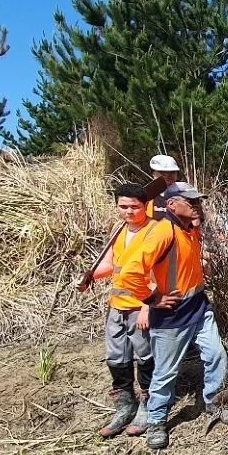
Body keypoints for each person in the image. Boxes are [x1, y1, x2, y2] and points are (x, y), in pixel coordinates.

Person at [114, 182, 228, 450]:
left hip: (198, 308)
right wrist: (151, 299)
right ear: (171, 205)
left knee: (216, 355)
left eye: (197, 200)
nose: (196, 205)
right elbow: (129, 273)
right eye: (189, 201)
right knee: (166, 372)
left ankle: (213, 403)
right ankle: (157, 421)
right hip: (171, 317)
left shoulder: (188, 228)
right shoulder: (162, 232)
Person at [78, 183, 155, 438]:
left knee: (145, 356)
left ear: (145, 206)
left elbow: (158, 275)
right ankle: (124, 404)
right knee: (116, 357)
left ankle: (147, 403)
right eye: (123, 206)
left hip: (140, 306)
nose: (129, 211)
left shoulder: (154, 231)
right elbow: (111, 265)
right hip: (116, 305)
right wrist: (89, 277)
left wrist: (147, 307)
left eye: (135, 206)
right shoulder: (118, 230)